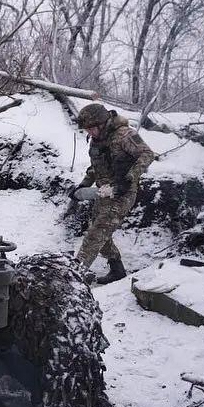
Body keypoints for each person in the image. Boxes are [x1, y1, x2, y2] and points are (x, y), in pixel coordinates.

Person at [71, 103, 155, 284]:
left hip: (123, 193)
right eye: (87, 129)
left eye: (92, 128)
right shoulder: (97, 139)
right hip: (104, 193)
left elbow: (147, 154)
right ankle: (117, 269)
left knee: (96, 233)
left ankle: (74, 276)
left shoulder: (124, 134)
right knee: (100, 232)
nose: (90, 132)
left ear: (103, 123)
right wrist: (83, 185)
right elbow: (96, 168)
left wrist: (130, 177)